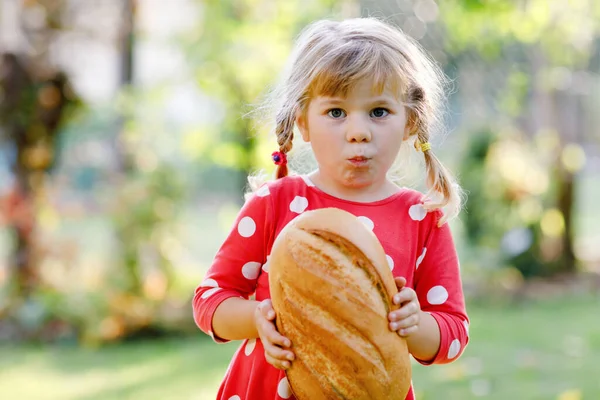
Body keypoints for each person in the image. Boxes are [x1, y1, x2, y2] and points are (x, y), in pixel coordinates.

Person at [193, 17, 470, 400]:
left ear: (410, 121)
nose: (358, 131)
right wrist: (258, 318)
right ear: (302, 122)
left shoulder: (421, 219)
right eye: (336, 112)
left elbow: (453, 333)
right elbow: (210, 300)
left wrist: (416, 324)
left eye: (378, 111)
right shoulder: (275, 203)